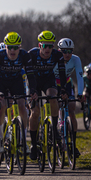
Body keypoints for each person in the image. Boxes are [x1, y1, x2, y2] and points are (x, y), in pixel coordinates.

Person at [0, 32, 37, 154]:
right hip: (0, 82)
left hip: (16, 82)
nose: (13, 50)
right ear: (5, 47)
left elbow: (30, 75)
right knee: (1, 106)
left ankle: (23, 140)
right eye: (10, 47)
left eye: (15, 47)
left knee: (22, 105)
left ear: (19, 47)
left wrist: (32, 90)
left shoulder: (24, 56)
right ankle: (0, 137)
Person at [28, 31, 67, 160]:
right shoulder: (32, 54)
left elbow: (62, 74)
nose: (48, 49)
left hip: (48, 80)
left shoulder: (57, 55)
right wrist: (32, 91)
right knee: (35, 112)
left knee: (53, 97)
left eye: (50, 46)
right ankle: (33, 143)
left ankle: (54, 129)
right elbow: (28, 75)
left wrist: (63, 90)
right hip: (34, 82)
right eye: (45, 46)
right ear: (40, 45)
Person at [54, 38, 84, 150]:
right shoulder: (54, 58)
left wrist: (80, 93)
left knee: (71, 108)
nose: (67, 54)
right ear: (59, 50)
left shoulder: (76, 59)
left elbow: (80, 77)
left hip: (67, 83)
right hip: (54, 84)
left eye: (70, 51)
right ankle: (55, 129)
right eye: (64, 51)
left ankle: (74, 144)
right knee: (55, 105)